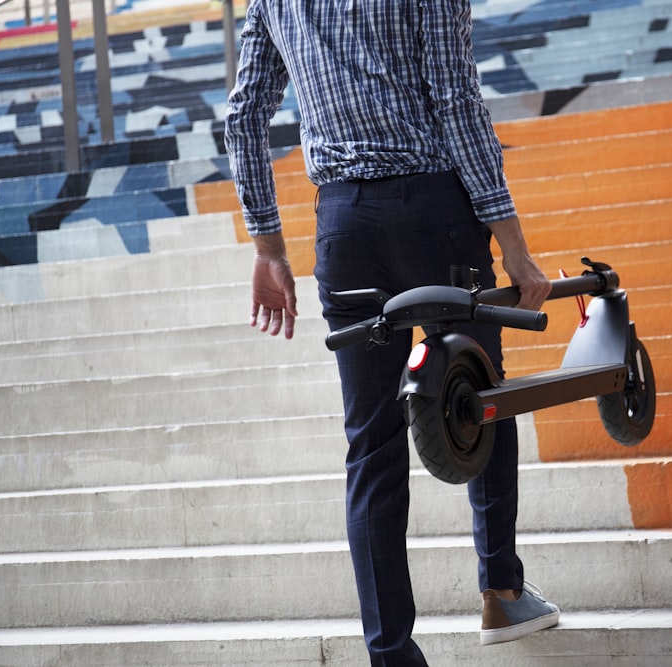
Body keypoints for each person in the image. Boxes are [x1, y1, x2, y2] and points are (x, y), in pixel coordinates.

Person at [225, 1, 557, 664]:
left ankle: (391, 651)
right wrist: (513, 242)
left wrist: (268, 246)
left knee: (371, 444)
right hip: (435, 211)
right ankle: (500, 587)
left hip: (345, 228)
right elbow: (456, 99)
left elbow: (243, 115)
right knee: (479, 397)